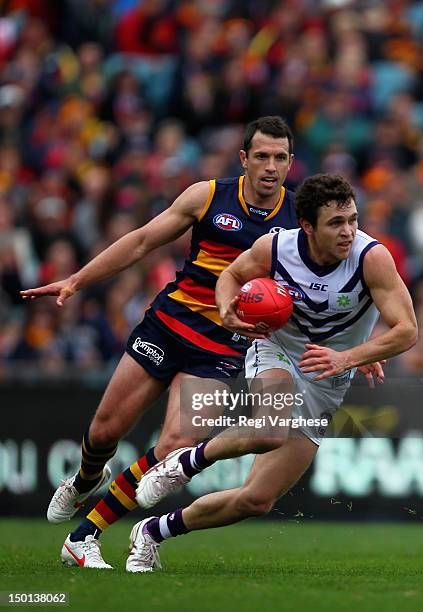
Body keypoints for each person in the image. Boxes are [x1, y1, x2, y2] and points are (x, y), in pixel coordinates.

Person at [21, 116, 300, 569]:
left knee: (175, 444)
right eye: (262, 156)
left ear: (290, 163)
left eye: (280, 157)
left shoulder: (297, 219)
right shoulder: (207, 195)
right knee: (105, 432)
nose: (271, 166)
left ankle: (84, 535)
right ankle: (87, 476)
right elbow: (141, 241)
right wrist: (76, 280)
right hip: (169, 325)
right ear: (244, 159)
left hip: (225, 347)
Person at [128, 173, 418, 572]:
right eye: (336, 223)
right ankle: (186, 463)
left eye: (352, 219)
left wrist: (349, 357)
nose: (349, 230)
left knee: (256, 500)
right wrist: (228, 309)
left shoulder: (372, 258)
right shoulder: (277, 246)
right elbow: (230, 275)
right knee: (268, 429)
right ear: (308, 226)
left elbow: (407, 330)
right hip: (276, 350)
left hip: (327, 378)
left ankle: (152, 532)